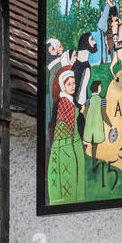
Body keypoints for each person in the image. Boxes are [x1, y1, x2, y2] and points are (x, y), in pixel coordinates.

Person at [47, 69, 83, 204]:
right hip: (65, 145)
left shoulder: (70, 101)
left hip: (71, 142)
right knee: (67, 175)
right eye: (69, 84)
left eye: (74, 83)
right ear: (63, 86)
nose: (72, 86)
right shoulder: (64, 102)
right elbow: (64, 126)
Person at [80, 79, 113, 173]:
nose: (101, 88)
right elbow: (104, 115)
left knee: (86, 142)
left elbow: (85, 114)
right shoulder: (102, 100)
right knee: (95, 146)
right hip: (97, 126)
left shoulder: (88, 100)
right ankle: (94, 164)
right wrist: (111, 125)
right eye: (100, 86)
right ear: (98, 88)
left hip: (89, 126)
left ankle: (82, 159)